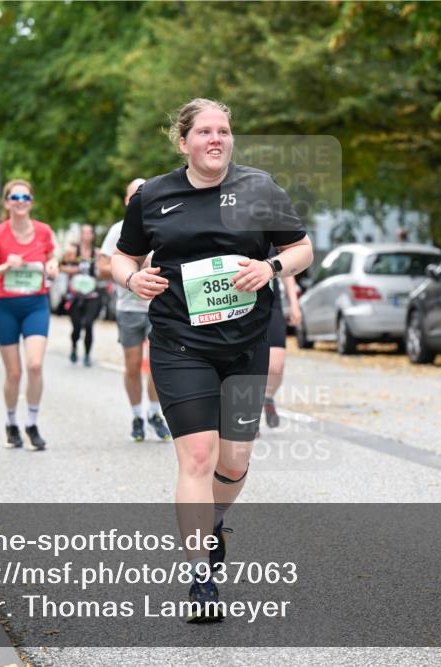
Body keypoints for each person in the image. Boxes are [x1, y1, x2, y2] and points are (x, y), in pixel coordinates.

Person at [112, 98, 313, 621]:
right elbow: (122, 255)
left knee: (235, 460)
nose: (216, 138)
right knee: (198, 457)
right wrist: (131, 278)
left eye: (223, 130)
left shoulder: (260, 189)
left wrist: (270, 268)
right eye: (204, 131)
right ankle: (200, 577)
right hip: (181, 343)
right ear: (184, 142)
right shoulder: (154, 196)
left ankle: (215, 518)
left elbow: (301, 248)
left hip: (246, 344)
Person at [0, 179, 58, 451]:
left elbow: (52, 257)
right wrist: (4, 267)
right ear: (7, 202)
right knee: (13, 373)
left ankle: (32, 424)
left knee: (35, 365)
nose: (20, 202)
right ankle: (11, 423)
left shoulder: (44, 231)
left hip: (35, 304)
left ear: (31, 202)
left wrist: (53, 266)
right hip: (4, 307)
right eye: (15, 197)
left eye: (25, 197)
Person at [98, 179, 171, 443]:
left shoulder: (165, 223)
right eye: (134, 196)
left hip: (159, 307)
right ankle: (137, 415)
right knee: (132, 365)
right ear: (127, 202)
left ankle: (154, 413)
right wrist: (132, 270)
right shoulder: (118, 230)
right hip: (129, 307)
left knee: (158, 364)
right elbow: (102, 268)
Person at [263, 257, 302, 427]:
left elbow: (287, 269)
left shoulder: (273, 241)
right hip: (238, 305)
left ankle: (267, 397)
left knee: (276, 367)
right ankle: (249, 414)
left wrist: (294, 304)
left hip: (272, 304)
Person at [59, 227, 102, 366]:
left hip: (92, 294)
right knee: (76, 325)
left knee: (89, 324)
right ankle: (74, 348)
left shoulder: (97, 253)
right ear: (80, 235)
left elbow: (104, 270)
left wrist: (99, 270)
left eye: (90, 232)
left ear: (93, 235)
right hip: (75, 295)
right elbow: (61, 267)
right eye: (84, 232)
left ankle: (87, 355)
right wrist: (74, 269)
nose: (87, 235)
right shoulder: (72, 251)